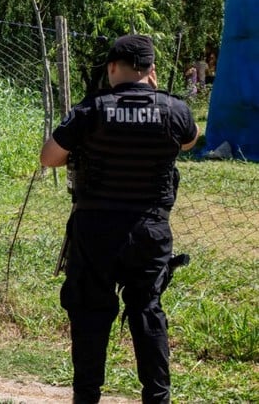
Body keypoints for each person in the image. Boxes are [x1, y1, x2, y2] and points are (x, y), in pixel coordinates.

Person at [40, 34, 200, 404]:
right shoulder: (174, 109)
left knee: (90, 314)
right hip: (149, 230)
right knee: (147, 312)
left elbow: (49, 157)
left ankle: (87, 397)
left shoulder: (92, 109)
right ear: (151, 71)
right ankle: (157, 399)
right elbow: (189, 141)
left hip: (95, 231)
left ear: (112, 67)